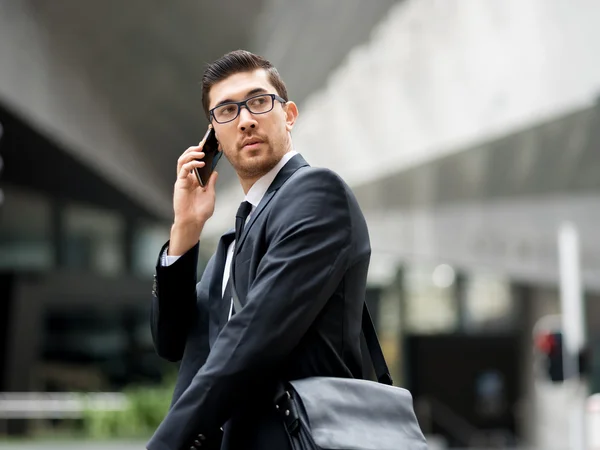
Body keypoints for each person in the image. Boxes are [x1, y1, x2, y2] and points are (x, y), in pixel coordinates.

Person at [147, 50, 371, 450]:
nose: (246, 119)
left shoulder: (317, 194)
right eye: (227, 111)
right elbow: (172, 341)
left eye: (258, 102)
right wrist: (185, 229)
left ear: (288, 115)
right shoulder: (230, 245)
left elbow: (249, 342)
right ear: (213, 136)